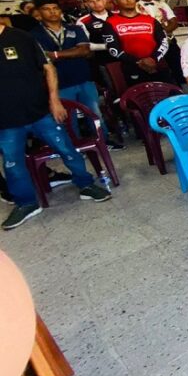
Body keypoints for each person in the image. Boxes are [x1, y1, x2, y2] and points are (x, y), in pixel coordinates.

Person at [0, 19, 112, 230]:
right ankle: (27, 203)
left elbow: (48, 68)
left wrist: (54, 100)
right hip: (6, 121)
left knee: (67, 149)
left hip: (39, 111)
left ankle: (86, 184)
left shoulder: (20, 37)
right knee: (12, 164)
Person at [31, 0, 122, 148]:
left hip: (83, 78)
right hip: (59, 83)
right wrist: (73, 52)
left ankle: (103, 141)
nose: (52, 12)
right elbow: (41, 57)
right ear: (39, 13)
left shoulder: (75, 28)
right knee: (67, 118)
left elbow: (85, 50)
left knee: (94, 113)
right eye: (47, 9)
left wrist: (55, 55)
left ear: (60, 11)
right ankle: (75, 144)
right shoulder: (33, 35)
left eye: (55, 8)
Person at [100, 0, 171, 86]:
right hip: (131, 68)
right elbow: (113, 49)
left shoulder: (150, 20)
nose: (128, 0)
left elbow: (163, 41)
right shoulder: (110, 23)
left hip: (157, 65)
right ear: (115, 2)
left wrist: (153, 59)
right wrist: (140, 62)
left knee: (167, 96)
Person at [135, 0, 183, 82]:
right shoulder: (135, 7)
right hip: (151, 44)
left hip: (169, 40)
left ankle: (184, 88)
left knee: (178, 66)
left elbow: (174, 21)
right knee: (159, 70)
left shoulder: (162, 4)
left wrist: (163, 33)